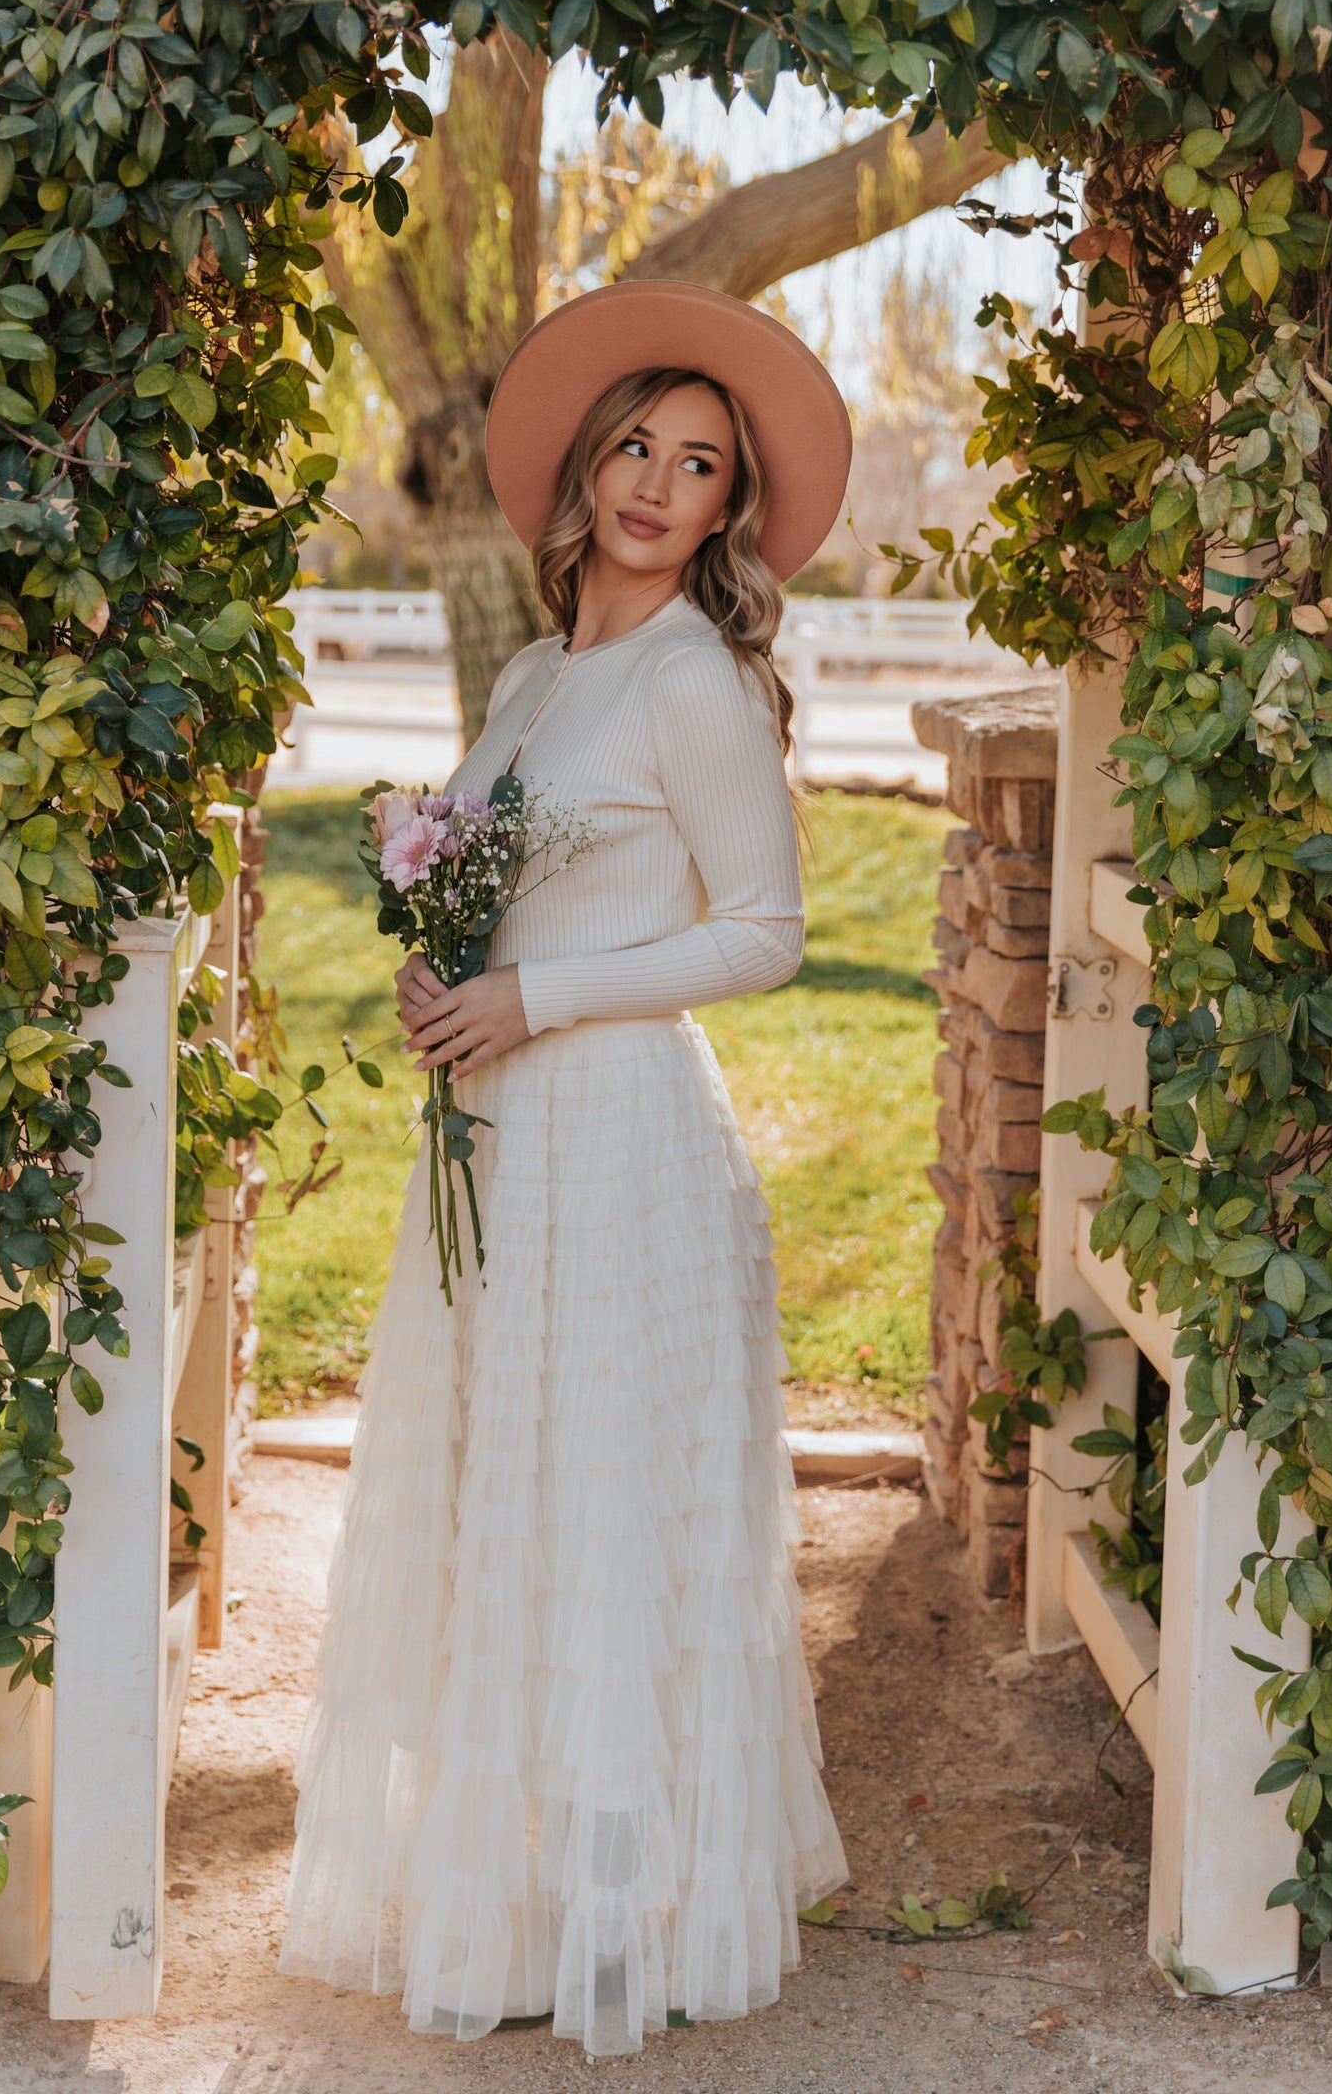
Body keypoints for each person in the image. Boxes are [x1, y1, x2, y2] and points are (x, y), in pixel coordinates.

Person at [279, 280, 854, 2058]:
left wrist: (542, 992)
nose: (656, 483)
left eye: (699, 465)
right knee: (498, 1513)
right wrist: (450, 977)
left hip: (623, 1158)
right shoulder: (537, 674)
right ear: (587, 466)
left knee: (607, 1518)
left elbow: (764, 931)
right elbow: (502, 887)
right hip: (500, 1150)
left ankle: (636, 1928)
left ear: (725, 514)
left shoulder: (695, 677)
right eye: (636, 446)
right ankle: (523, 1905)